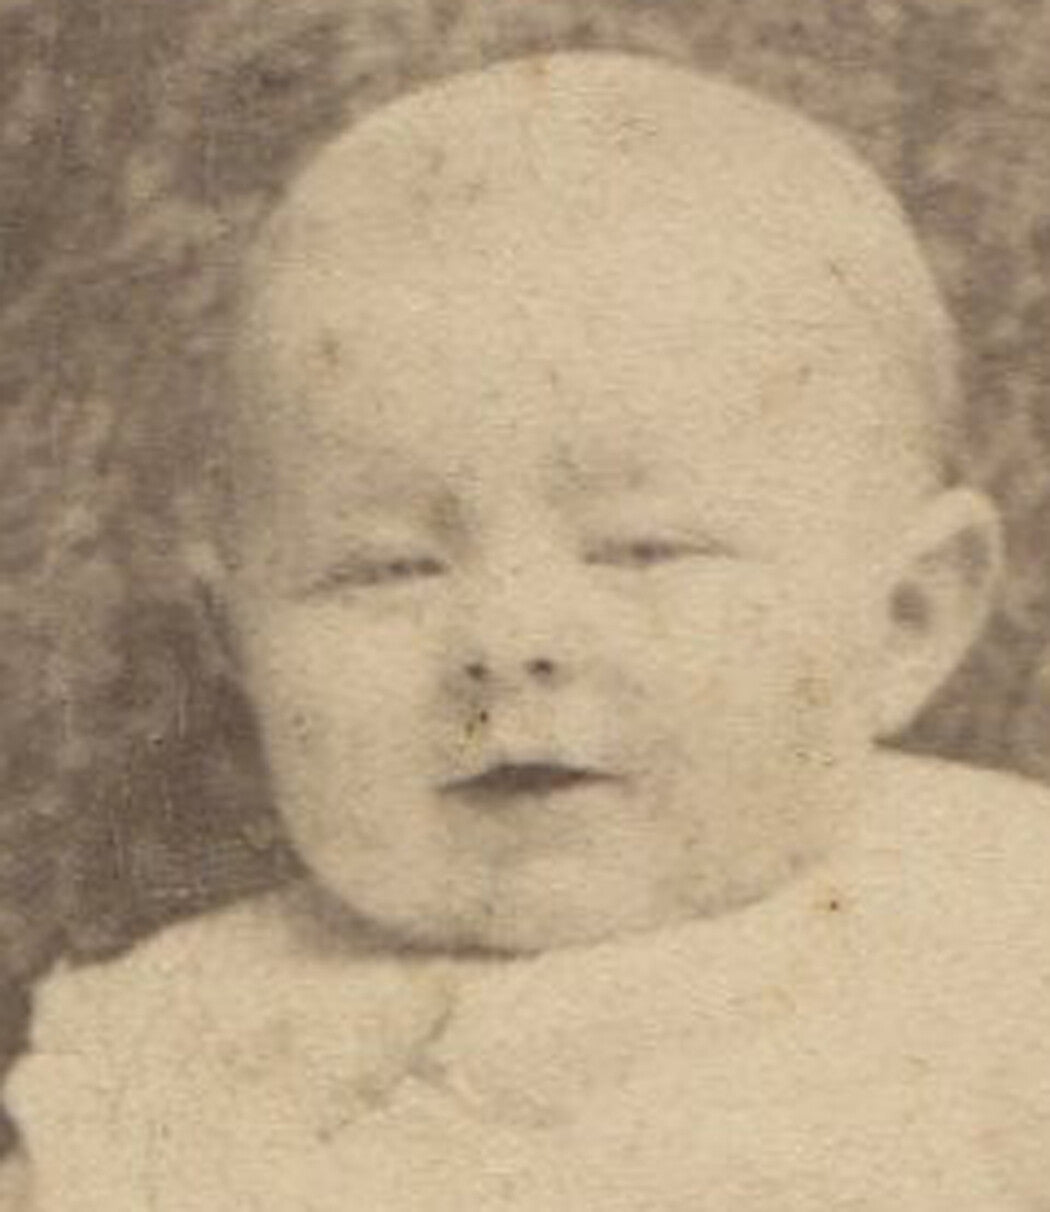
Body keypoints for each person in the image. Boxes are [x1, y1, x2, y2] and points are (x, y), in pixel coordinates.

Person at [4, 50, 1049, 1210]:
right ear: (235, 641)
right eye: (384, 568)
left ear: (907, 619)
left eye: (643, 549)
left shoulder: (1007, 957)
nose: (507, 638)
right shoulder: (170, 1056)